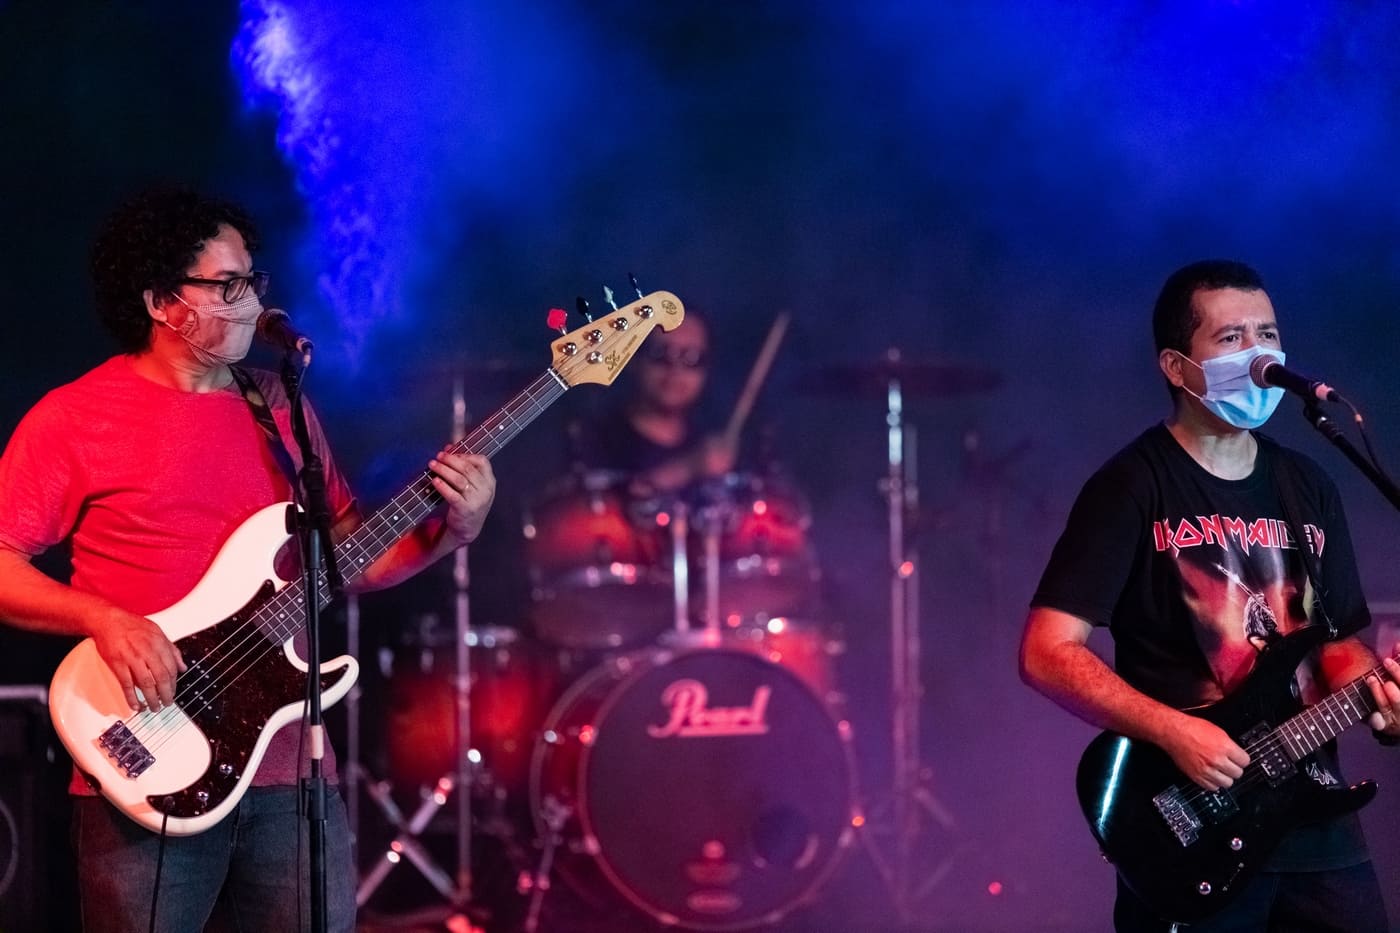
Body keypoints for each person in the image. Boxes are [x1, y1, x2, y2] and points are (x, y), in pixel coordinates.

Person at [0, 186, 496, 932]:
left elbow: (347, 557)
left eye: (252, 280)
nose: (253, 302)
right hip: (148, 756)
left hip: (288, 767)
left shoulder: (279, 406)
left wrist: (453, 531)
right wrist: (106, 619)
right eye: (227, 285)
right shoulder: (74, 419)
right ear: (162, 303)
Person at [1019, 259, 1400, 932]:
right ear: (1176, 366)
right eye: (1231, 337)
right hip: (1191, 824)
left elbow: (1336, 643)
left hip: (1318, 826)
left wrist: (1384, 698)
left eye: (1268, 333)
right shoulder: (1132, 486)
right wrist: (1172, 729)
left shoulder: (1308, 484)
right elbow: (1046, 652)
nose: (1259, 353)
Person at [573, 308, 738, 489]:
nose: (675, 370)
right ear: (634, 359)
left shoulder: (712, 447)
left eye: (692, 358)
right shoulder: (589, 439)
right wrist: (685, 469)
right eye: (661, 353)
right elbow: (592, 502)